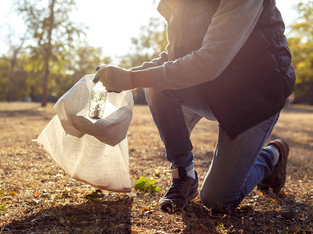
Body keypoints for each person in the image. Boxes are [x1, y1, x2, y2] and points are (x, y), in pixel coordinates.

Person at [94, 0, 295, 212]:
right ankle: (184, 176)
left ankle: (272, 156)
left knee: (218, 200)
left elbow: (210, 61)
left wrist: (131, 79)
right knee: (155, 84)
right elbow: (174, 57)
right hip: (215, 88)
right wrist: (125, 76)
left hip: (256, 95)